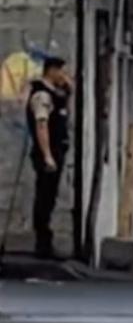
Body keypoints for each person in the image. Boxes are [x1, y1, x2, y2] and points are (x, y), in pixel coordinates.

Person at [25, 57, 72, 259]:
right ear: (51, 70)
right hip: (48, 153)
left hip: (56, 150)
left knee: (50, 197)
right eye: (61, 71)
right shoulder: (42, 95)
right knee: (44, 197)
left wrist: (68, 87)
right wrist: (47, 156)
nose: (63, 75)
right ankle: (42, 243)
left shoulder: (55, 94)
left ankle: (46, 241)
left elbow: (66, 98)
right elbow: (41, 126)